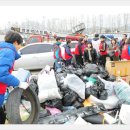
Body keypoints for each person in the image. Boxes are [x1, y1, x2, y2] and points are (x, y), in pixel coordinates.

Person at [0, 30, 28, 124]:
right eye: (20, 44)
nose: (20, 47)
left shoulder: (2, 49)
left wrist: (9, 83)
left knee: (1, 116)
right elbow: (2, 74)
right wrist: (18, 83)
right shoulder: (8, 52)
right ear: (15, 42)